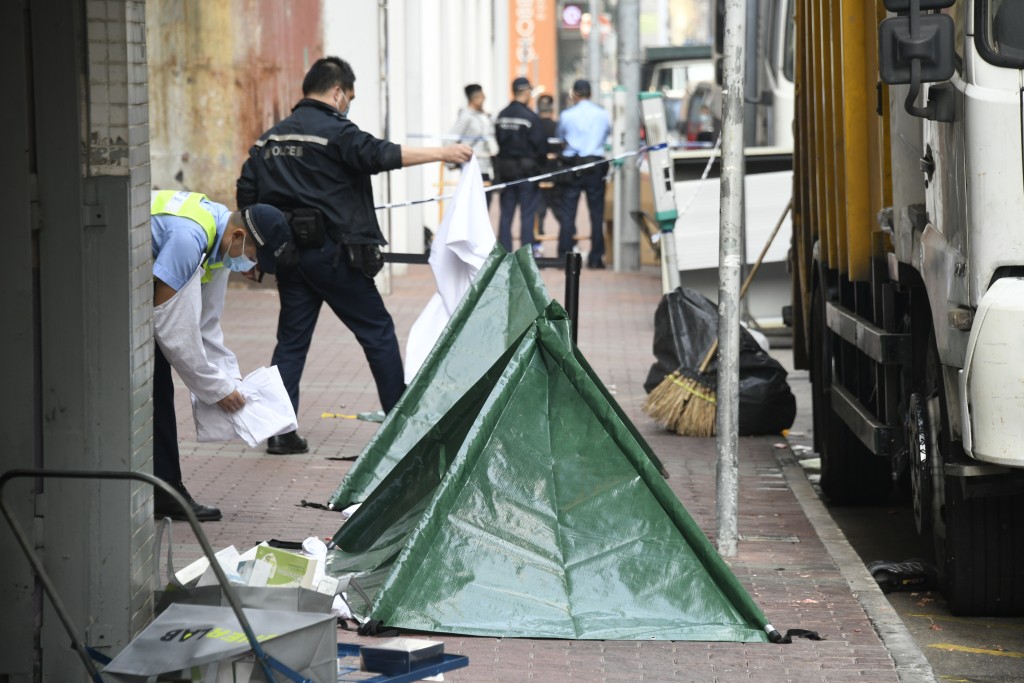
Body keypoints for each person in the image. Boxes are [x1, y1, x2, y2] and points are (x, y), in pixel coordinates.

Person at [236, 56, 472, 455]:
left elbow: (247, 197)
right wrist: (442, 153)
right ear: (337, 92)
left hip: (290, 257)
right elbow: (380, 155)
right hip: (335, 256)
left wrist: (257, 254)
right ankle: (401, 425)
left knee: (290, 344)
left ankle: (280, 432)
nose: (348, 105)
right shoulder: (336, 132)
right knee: (377, 332)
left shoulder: (268, 141)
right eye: (350, 98)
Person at [150, 190, 292, 521]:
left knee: (158, 387)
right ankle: (162, 490)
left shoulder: (221, 242)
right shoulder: (189, 239)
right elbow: (171, 329)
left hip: (134, 289)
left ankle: (164, 489)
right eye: (256, 257)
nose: (252, 266)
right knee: (155, 384)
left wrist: (232, 381)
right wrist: (216, 390)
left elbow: (205, 326)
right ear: (241, 236)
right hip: (94, 279)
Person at [556, 79, 611, 268]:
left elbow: (560, 137)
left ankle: (564, 255)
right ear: (590, 94)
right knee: (596, 214)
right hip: (595, 164)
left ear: (575, 94)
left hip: (573, 165)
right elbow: (606, 135)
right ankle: (596, 258)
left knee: (568, 212)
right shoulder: (602, 114)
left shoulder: (567, 115)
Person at [494, 76, 546, 256]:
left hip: (506, 170)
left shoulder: (501, 115)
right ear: (526, 92)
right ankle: (526, 254)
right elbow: (541, 146)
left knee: (506, 215)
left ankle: (503, 252)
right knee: (527, 215)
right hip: (527, 171)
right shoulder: (530, 117)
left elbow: (499, 141)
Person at [450, 83, 497, 207]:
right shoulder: (466, 117)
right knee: (477, 204)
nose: (484, 98)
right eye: (481, 96)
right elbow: (451, 139)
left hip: (486, 166)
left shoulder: (483, 116)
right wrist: (451, 162)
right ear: (475, 97)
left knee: (486, 202)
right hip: (472, 166)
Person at [535, 94, 562, 237]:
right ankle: (571, 243)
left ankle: (537, 244)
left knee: (538, 212)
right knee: (560, 211)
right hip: (555, 174)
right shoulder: (556, 127)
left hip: (537, 173)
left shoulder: (534, 126)